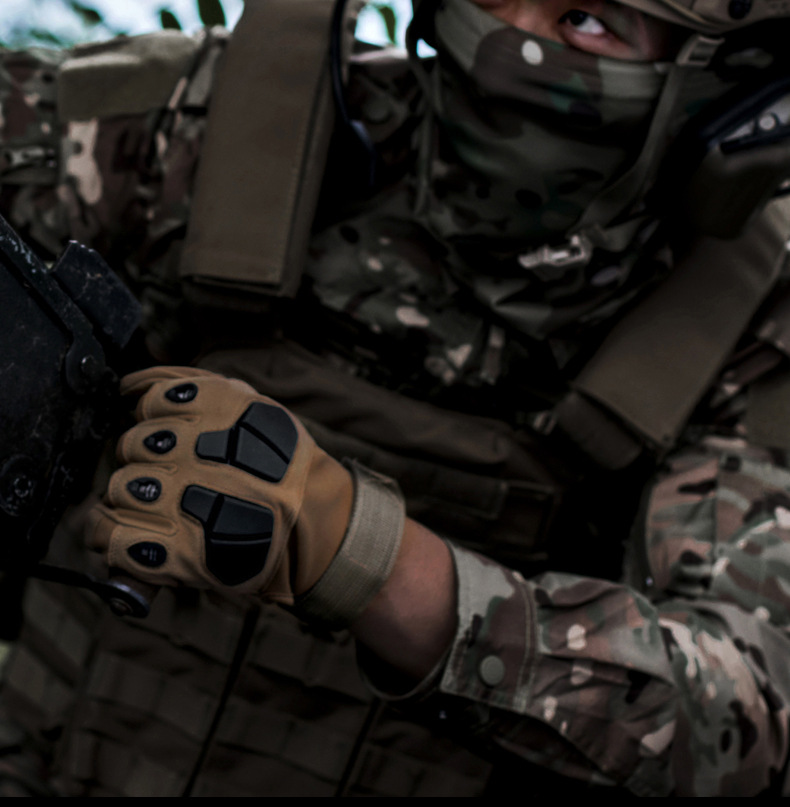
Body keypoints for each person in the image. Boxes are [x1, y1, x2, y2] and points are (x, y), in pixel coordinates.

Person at [0, 0, 789, 796]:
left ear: (730, 86)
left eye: (586, 19)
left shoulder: (743, 323)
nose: (505, 42)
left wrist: (361, 552)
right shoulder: (227, 123)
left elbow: (746, 721)